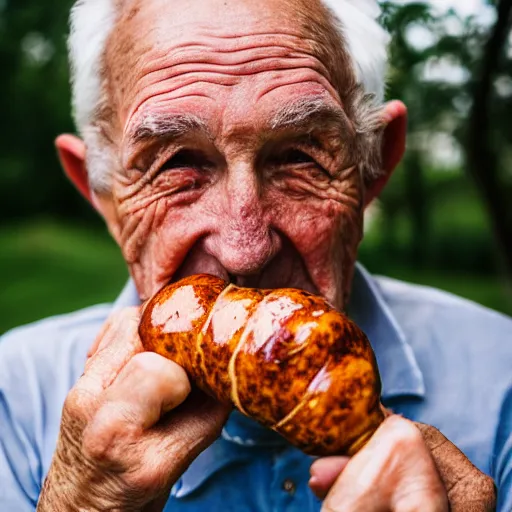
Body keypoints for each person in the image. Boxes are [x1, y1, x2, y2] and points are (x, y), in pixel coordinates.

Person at [0, 0, 510, 510]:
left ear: (372, 168)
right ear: (103, 195)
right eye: (177, 163)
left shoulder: (501, 383)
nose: (245, 251)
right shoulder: (14, 403)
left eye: (297, 156)